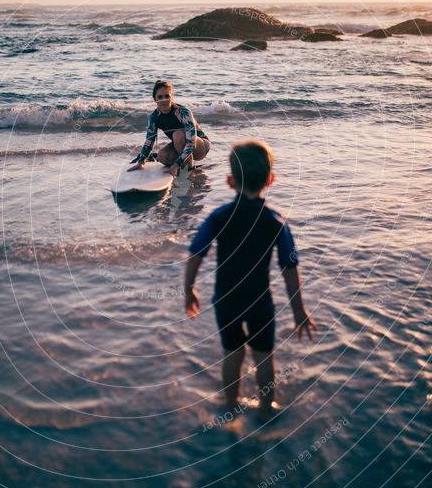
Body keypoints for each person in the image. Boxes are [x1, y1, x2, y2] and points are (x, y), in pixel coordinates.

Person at [184, 139, 316, 419]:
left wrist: (189, 290)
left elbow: (196, 253)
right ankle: (268, 408)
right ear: (271, 180)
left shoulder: (218, 217)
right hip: (259, 303)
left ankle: (230, 406)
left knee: (232, 353)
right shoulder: (276, 222)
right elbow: (290, 268)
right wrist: (299, 310)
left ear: (230, 181)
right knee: (264, 355)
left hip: (226, 300)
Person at [129, 80, 210, 177]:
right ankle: (183, 164)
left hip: (200, 146)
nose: (164, 100)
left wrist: (176, 164)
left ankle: (190, 168)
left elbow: (191, 143)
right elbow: (149, 141)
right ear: (155, 99)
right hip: (180, 145)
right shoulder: (154, 116)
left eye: (167, 96)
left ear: (172, 97)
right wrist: (141, 161)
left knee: (178, 135)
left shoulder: (183, 112)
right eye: (160, 97)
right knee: (162, 156)